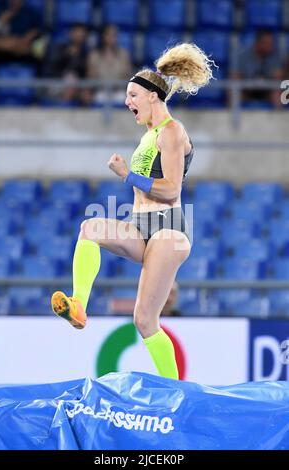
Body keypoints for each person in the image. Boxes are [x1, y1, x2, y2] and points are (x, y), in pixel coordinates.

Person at [51, 43, 213, 380]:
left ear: (153, 96)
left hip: (169, 230)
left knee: (144, 320)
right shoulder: (148, 135)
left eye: (133, 94)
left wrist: (128, 175)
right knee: (90, 228)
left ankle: (176, 391)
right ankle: (78, 305)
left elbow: (171, 190)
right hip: (140, 227)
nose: (128, 102)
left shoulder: (171, 132)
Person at [230, 29, 283, 107]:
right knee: (232, 90)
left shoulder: (275, 54)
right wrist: (249, 83)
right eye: (268, 44)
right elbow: (235, 75)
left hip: (267, 91)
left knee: (277, 90)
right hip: (247, 90)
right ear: (259, 43)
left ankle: (278, 116)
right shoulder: (243, 55)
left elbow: (278, 76)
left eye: (271, 44)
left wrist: (268, 79)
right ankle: (233, 117)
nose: (271, 47)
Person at [85, 24, 133, 105]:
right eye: (109, 34)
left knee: (125, 100)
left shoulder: (124, 54)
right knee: (98, 98)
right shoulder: (94, 55)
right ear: (103, 36)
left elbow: (128, 75)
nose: (112, 38)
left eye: (114, 35)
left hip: (119, 92)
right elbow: (91, 77)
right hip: (100, 92)